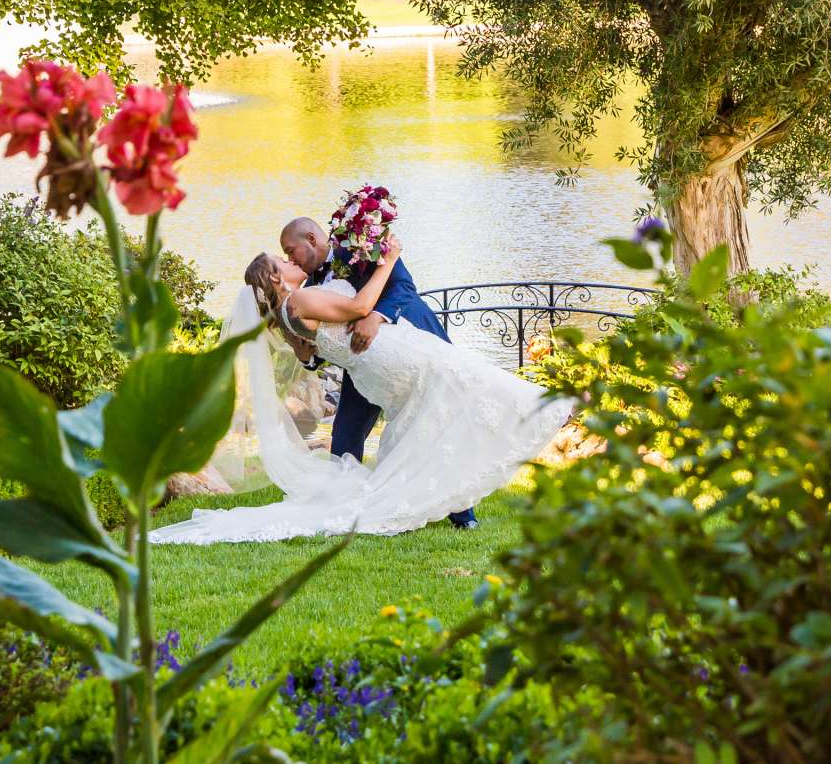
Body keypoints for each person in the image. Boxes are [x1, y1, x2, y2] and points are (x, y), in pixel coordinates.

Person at [149, 233, 572, 545]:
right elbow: (357, 308)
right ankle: (549, 409)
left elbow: (307, 354)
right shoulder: (298, 302)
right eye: (282, 260)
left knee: (436, 412)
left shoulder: (289, 310)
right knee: (469, 384)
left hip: (382, 361)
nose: (289, 259)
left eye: (289, 251)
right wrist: (390, 258)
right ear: (277, 278)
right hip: (388, 359)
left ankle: (452, 497)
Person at [278, 215, 477, 529]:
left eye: (291, 250)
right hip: (366, 369)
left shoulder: (360, 243)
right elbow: (323, 341)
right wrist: (308, 359)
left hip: (407, 349)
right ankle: (345, 508)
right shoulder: (311, 287)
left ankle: (463, 516)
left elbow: (403, 287)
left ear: (312, 240)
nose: (290, 258)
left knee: (430, 427)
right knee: (345, 435)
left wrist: (378, 316)